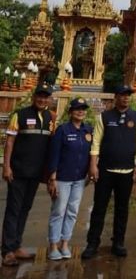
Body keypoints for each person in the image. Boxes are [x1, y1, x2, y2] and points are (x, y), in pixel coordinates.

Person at [81, 84, 136, 260]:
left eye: (128, 95)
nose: (125, 98)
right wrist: (93, 165)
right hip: (106, 169)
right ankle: (92, 243)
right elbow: (96, 143)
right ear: (115, 97)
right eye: (122, 95)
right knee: (99, 207)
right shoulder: (105, 117)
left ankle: (118, 242)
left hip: (127, 170)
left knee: (122, 208)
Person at [1, 83, 55, 267]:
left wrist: (49, 174)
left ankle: (16, 245)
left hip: (36, 172)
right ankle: (7, 250)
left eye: (45, 96)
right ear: (34, 97)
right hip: (18, 171)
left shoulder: (50, 118)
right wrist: (6, 166)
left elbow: (50, 147)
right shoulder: (20, 115)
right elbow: (9, 142)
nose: (42, 99)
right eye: (39, 96)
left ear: (49, 98)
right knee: (13, 209)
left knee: (25, 208)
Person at [47, 97, 93, 261]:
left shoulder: (87, 130)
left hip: (79, 178)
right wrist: (52, 177)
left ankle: (65, 243)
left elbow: (91, 154)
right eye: (77, 108)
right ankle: (53, 244)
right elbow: (54, 154)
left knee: (73, 211)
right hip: (62, 178)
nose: (81, 111)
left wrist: (90, 172)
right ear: (71, 112)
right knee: (59, 211)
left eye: (83, 109)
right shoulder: (63, 130)